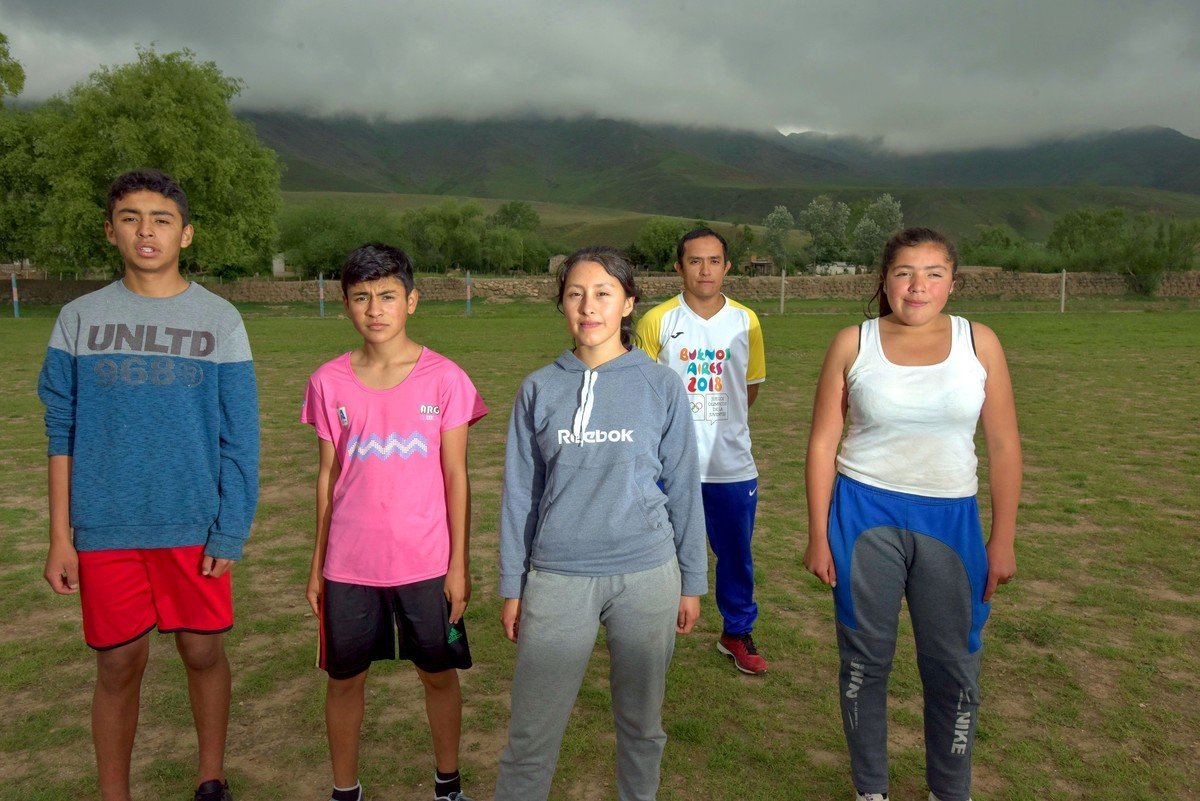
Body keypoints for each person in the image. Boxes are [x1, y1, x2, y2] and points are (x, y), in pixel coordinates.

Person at [38, 169, 259, 801]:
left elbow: (239, 436)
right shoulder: (79, 318)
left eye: (161, 219)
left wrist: (231, 527)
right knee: (117, 663)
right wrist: (62, 537)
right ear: (111, 231)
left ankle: (210, 776)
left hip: (193, 523)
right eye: (131, 217)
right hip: (106, 525)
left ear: (185, 234)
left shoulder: (219, 319)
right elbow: (63, 430)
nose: (146, 230)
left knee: (202, 653)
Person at [803, 227, 1022, 801]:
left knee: (952, 666)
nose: (917, 286)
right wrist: (817, 534)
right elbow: (823, 442)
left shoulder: (981, 343)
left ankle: (949, 790)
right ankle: (869, 789)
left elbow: (1003, 446)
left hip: (951, 521)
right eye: (904, 273)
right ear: (884, 280)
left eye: (933, 273)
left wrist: (1003, 540)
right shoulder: (854, 342)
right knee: (864, 662)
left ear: (953, 281)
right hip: (862, 514)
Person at [495, 246, 707, 801]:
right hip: (558, 577)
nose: (589, 307)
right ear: (562, 305)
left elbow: (684, 488)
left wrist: (692, 581)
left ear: (628, 304)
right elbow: (521, 494)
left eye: (603, 294)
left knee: (641, 726)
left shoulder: (660, 386)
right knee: (531, 733)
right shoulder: (538, 388)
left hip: (647, 576)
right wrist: (512, 586)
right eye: (575, 294)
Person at [302, 243, 486, 801]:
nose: (375, 309)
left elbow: (456, 477)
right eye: (361, 298)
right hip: (349, 565)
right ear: (345, 305)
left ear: (412, 301)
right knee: (344, 680)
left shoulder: (445, 379)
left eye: (387, 296)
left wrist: (459, 565)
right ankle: (345, 790)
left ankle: (447, 783)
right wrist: (317, 567)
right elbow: (327, 480)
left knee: (437, 674)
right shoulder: (328, 381)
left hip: (426, 564)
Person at [635, 228, 769, 675]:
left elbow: (747, 391)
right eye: (695, 261)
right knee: (659, 552)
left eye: (714, 260)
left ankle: (736, 631)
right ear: (679, 267)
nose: (705, 269)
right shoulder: (656, 321)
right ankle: (652, 631)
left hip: (731, 465)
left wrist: (718, 426)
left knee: (735, 555)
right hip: (670, 467)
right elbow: (644, 393)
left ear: (727, 266)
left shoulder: (746, 320)